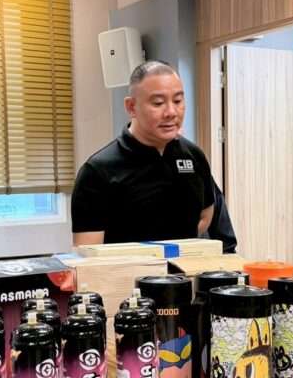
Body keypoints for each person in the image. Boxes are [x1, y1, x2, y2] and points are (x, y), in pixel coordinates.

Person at [72, 61, 215, 246]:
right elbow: (88, 251)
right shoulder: (98, 171)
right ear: (131, 107)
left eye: (178, 101)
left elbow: (205, 217)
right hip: (126, 265)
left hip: (184, 264)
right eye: (158, 103)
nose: (171, 112)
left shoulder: (194, 156)